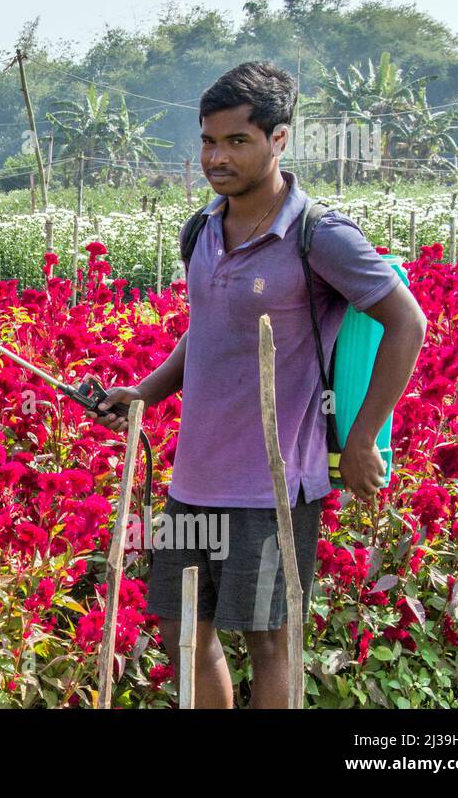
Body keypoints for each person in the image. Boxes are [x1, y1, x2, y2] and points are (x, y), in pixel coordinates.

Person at [86, 61, 427, 708]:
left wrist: (360, 443)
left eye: (237, 141)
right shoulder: (204, 230)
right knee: (182, 629)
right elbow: (206, 329)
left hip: (273, 483)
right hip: (194, 479)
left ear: (279, 140)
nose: (217, 157)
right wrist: (145, 394)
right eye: (209, 141)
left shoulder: (317, 237)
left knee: (271, 641)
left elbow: (406, 322)